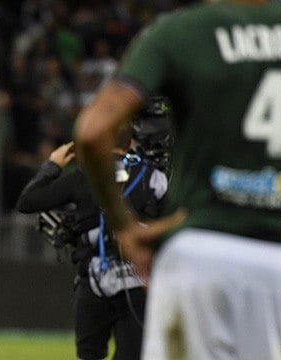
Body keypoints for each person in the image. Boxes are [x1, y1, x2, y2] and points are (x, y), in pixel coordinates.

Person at [73, 1, 281, 359]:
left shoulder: (179, 32)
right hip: (278, 261)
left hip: (195, 256)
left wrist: (125, 228)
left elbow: (92, 132)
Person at [17, 100, 171, 360]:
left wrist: (53, 164)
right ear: (131, 141)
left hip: (94, 276)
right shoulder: (153, 176)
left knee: (89, 354)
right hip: (139, 279)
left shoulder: (84, 175)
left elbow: (28, 202)